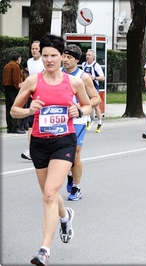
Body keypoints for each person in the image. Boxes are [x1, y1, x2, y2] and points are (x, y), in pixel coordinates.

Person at [10, 34, 92, 266]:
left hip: (64, 141)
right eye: (45, 55)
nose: (48, 60)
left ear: (62, 56)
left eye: (53, 55)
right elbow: (14, 111)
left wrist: (79, 111)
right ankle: (65, 217)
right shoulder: (33, 81)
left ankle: (44, 250)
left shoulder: (73, 82)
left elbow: (87, 104)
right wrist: (28, 110)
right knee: (50, 194)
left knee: (49, 194)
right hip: (39, 143)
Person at [62, 44, 101, 201]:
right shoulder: (56, 74)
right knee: (62, 155)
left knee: (76, 152)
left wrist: (82, 107)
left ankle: (76, 188)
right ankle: (70, 174)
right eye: (64, 56)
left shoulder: (83, 76)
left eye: (69, 57)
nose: (65, 60)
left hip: (78, 118)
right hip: (60, 119)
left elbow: (96, 98)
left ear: (77, 60)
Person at [21, 40, 45, 160]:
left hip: (44, 96)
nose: (34, 51)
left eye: (36, 49)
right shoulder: (29, 62)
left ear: (40, 49)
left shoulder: (44, 61)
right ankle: (31, 150)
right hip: (33, 96)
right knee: (31, 123)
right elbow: (31, 77)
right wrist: (25, 84)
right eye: (32, 49)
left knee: (43, 123)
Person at [82, 49, 105, 133]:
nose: (87, 56)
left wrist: (94, 77)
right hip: (85, 88)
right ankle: (88, 121)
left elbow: (103, 77)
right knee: (86, 104)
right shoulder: (84, 64)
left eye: (89, 55)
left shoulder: (96, 65)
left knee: (95, 106)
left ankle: (99, 122)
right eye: (87, 55)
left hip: (94, 88)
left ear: (93, 57)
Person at [2, 53, 25, 134]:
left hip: (6, 88)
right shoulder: (15, 66)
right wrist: (20, 88)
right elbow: (16, 80)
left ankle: (9, 127)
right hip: (13, 89)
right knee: (16, 107)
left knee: (9, 108)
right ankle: (16, 127)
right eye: (20, 59)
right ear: (18, 59)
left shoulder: (7, 66)